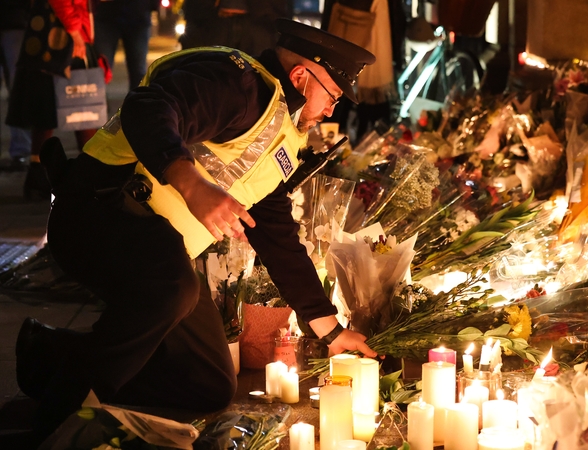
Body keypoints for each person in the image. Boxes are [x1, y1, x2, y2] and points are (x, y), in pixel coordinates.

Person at [15, 18, 377, 443]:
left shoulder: (283, 132)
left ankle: (49, 356)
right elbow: (145, 106)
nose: (333, 110)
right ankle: (59, 422)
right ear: (301, 75)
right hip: (99, 211)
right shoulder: (236, 84)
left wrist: (330, 330)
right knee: (174, 288)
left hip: (156, 242)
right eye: (333, 95)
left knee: (208, 385)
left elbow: (275, 232)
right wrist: (192, 184)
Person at [5, 0, 110, 199]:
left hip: (54, 38)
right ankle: (88, 177)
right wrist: (75, 33)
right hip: (63, 38)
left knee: (50, 111)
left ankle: (40, 178)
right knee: (82, 106)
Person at [92, 0, 158, 92]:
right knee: (101, 71)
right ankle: (99, 105)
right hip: (105, 16)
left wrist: (152, 4)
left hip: (138, 16)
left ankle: (137, 104)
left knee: (139, 72)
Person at [0, 0, 32, 170]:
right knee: (18, 89)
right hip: (16, 20)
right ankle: (21, 151)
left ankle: (22, 151)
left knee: (18, 89)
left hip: (16, 20)